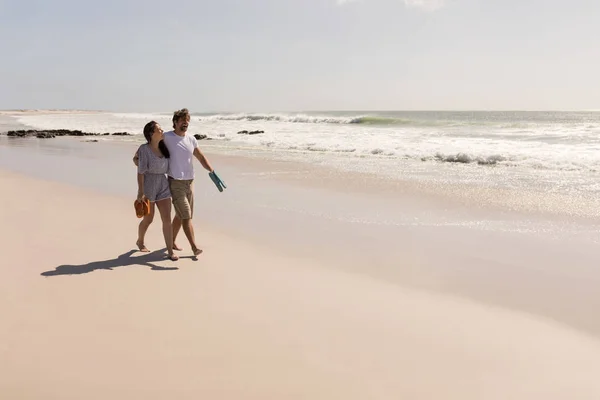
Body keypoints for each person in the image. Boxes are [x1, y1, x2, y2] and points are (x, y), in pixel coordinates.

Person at [134, 108, 215, 256]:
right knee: (158, 218)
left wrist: (212, 171)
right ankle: (193, 246)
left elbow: (200, 156)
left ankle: (170, 246)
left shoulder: (182, 141)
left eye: (187, 120)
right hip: (163, 183)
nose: (186, 123)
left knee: (174, 216)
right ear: (175, 122)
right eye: (183, 120)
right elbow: (143, 157)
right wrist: (137, 162)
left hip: (177, 183)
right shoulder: (164, 138)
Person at [135, 120, 178, 261]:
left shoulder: (165, 147)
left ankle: (170, 251)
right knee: (149, 219)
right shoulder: (144, 149)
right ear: (151, 134)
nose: (162, 131)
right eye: (159, 129)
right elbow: (140, 172)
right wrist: (140, 192)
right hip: (149, 185)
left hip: (163, 184)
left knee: (167, 219)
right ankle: (140, 241)